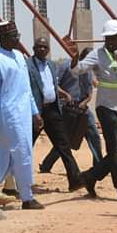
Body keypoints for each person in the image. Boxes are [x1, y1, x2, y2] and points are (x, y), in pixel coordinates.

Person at [69, 19, 117, 202]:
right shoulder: (98, 54)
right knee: (114, 150)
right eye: (107, 39)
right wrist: (75, 60)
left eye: (113, 38)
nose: (110, 42)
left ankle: (89, 176)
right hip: (105, 107)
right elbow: (77, 71)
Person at [0, 21, 44, 210]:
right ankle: (27, 197)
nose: (17, 39)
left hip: (25, 113)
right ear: (2, 38)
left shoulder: (19, 56)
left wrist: (35, 112)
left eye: (17, 35)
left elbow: (26, 89)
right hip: (8, 115)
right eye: (13, 36)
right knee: (22, 154)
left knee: (5, 154)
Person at [26, 37, 83, 192]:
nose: (42, 49)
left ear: (48, 49)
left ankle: (75, 179)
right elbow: (27, 88)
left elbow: (52, 86)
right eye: (39, 46)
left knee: (63, 144)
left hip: (52, 110)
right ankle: (16, 183)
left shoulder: (51, 65)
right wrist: (33, 112)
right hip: (36, 111)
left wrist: (64, 94)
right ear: (34, 48)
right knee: (26, 147)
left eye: (45, 47)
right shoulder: (27, 65)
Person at [39, 47, 103, 171]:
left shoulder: (89, 70)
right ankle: (47, 165)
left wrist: (85, 102)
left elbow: (89, 92)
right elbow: (54, 84)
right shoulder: (65, 66)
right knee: (65, 139)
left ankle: (99, 165)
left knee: (93, 134)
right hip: (66, 107)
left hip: (82, 108)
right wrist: (66, 95)